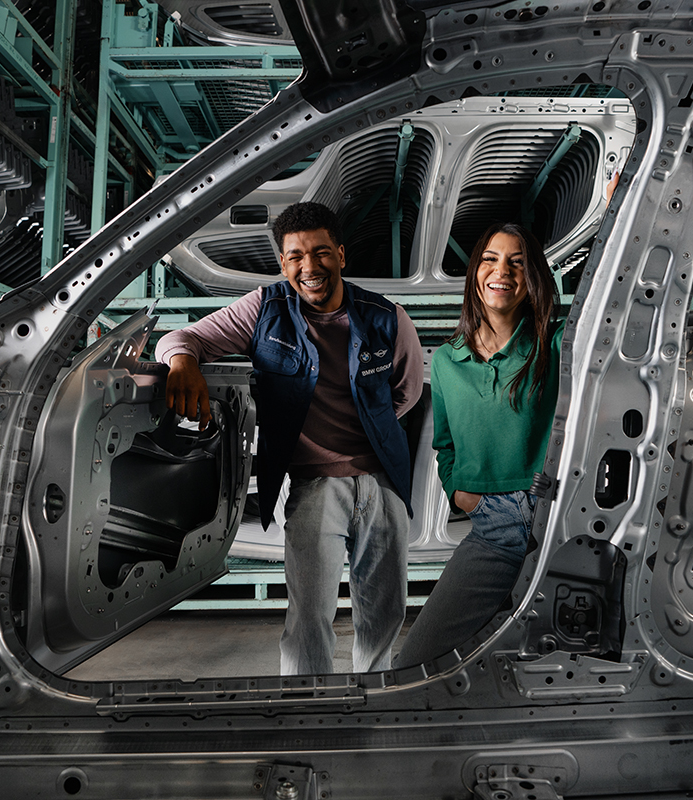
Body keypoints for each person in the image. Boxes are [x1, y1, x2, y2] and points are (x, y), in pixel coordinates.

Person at [155, 201, 423, 675]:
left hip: (383, 483)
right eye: (296, 256)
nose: (309, 267)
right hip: (314, 487)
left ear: (340, 254)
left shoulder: (386, 317)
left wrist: (371, 430)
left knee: (384, 615)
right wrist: (182, 362)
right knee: (308, 617)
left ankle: (375, 703)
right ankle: (305, 707)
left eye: (321, 253)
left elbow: (407, 392)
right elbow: (182, 338)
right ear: (283, 263)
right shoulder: (264, 309)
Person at [394, 222, 562, 668]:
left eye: (517, 261)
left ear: (534, 279)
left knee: (551, 661)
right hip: (495, 524)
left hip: (559, 517)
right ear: (474, 273)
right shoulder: (449, 359)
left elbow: (617, 312)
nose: (501, 270)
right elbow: (445, 443)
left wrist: (612, 211)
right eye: (490, 258)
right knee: (416, 661)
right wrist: (460, 493)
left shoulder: (557, 343)